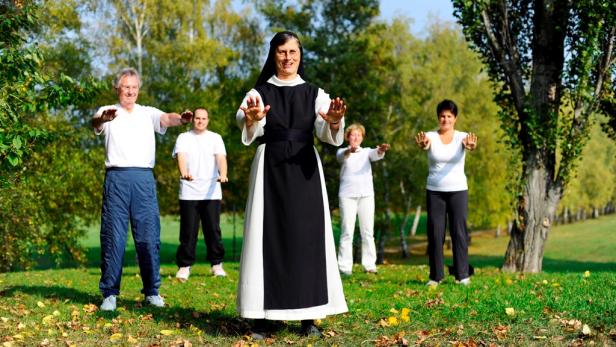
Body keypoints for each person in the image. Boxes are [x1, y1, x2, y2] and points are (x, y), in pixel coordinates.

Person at [235, 31, 348, 338]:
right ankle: (260, 316)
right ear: (273, 55)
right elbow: (245, 119)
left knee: (307, 239)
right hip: (269, 169)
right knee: (265, 238)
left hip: (305, 170)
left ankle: (309, 317)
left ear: (300, 55)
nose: (288, 58)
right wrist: (252, 118)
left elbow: (327, 127)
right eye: (282, 52)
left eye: (293, 52)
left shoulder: (314, 92)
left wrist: (335, 121)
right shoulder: (259, 91)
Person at [92, 67, 192, 311]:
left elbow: (167, 119)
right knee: (113, 237)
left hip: (144, 180)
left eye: (134, 87)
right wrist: (102, 119)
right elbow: (95, 123)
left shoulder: (147, 113)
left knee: (148, 238)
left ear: (138, 90)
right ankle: (109, 295)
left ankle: (152, 292)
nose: (130, 91)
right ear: (118, 89)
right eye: (126, 87)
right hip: (117, 179)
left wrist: (182, 119)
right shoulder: (107, 111)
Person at [415, 99, 478, 286]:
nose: (445, 119)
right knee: (435, 233)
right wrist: (423, 145)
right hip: (435, 192)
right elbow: (425, 145)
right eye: (442, 116)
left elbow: (470, 145)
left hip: (458, 191)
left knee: (459, 232)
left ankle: (462, 275)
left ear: (455, 118)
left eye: (449, 116)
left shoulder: (462, 137)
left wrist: (470, 146)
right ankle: (436, 276)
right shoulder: (430, 136)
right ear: (438, 117)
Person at [173, 108, 228, 281]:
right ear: (193, 120)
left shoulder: (215, 138)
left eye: (204, 118)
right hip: (189, 192)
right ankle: (184, 267)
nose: (200, 121)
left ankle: (217, 265)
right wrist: (184, 173)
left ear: (208, 120)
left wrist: (223, 173)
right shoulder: (184, 138)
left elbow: (221, 158)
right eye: (197, 118)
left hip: (211, 192)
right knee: (188, 231)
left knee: (213, 230)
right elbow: (181, 157)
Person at [336, 123, 390, 275]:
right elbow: (341, 157)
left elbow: (375, 153)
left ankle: (369, 265)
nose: (356, 137)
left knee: (367, 232)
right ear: (348, 137)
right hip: (347, 196)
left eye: (359, 135)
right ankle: (344, 267)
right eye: (353, 135)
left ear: (362, 138)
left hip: (366, 196)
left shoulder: (366, 152)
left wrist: (381, 150)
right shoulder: (342, 151)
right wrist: (349, 150)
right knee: (347, 231)